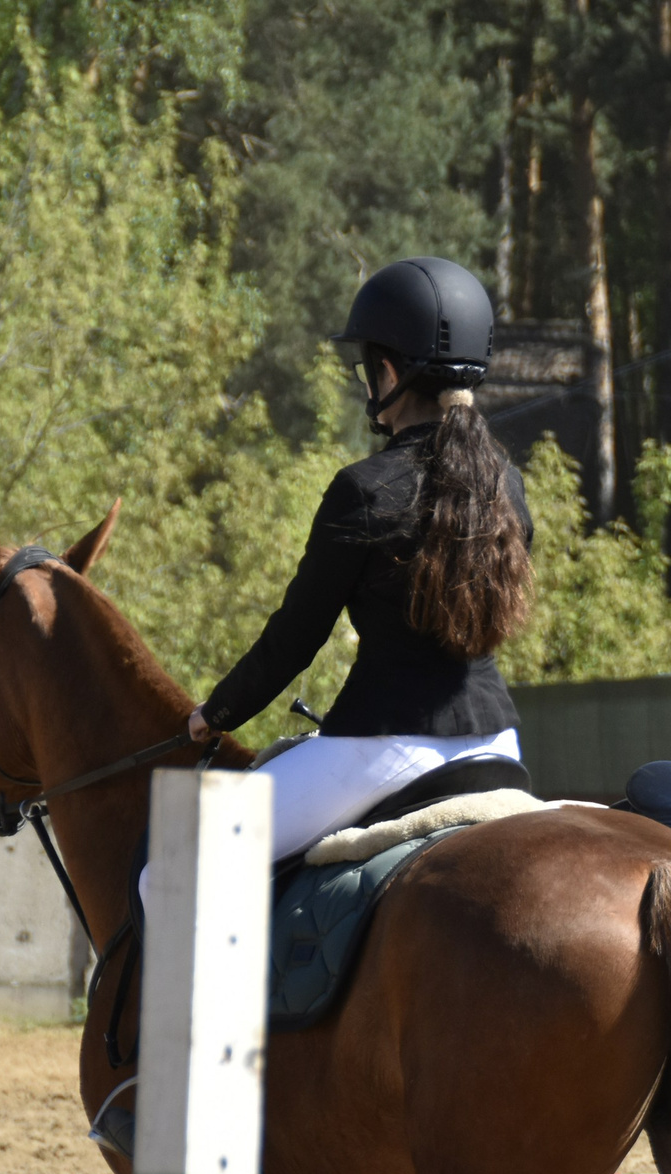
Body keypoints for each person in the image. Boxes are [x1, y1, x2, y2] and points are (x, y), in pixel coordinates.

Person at [184, 255, 534, 861]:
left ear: (389, 371)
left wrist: (217, 712)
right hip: (498, 745)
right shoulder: (508, 483)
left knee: (186, 857)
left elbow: (295, 639)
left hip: (385, 746)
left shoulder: (364, 489)